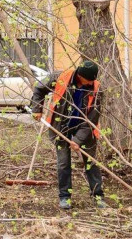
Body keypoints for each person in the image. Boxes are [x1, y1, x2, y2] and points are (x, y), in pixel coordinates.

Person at [30, 60, 107, 210]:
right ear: (80, 75)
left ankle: (98, 196)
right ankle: (65, 197)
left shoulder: (97, 89)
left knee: (90, 161)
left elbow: (92, 119)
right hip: (61, 126)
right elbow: (39, 88)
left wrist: (78, 139)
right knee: (64, 162)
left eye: (93, 80)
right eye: (88, 80)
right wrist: (36, 108)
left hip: (85, 128)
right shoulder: (61, 77)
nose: (90, 83)